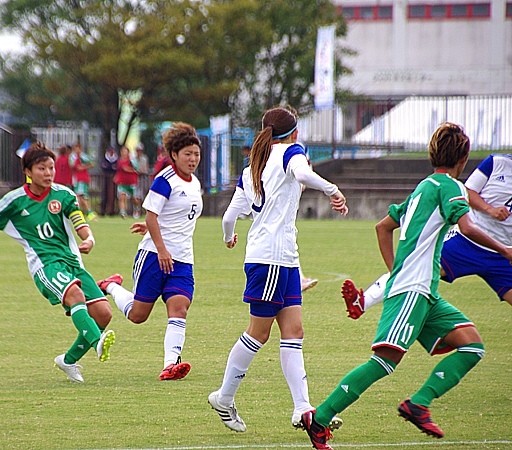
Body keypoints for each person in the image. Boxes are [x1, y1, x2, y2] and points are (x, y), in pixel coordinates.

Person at [301, 123, 512, 449]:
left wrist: (396, 272)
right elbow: (467, 228)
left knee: (472, 344)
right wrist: (505, 250)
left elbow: (383, 227)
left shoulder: (423, 187)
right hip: (413, 290)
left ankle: (419, 403)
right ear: (464, 157)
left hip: (424, 291)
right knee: (383, 363)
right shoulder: (450, 186)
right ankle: (320, 418)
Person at [209, 106, 348, 433]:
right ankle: (224, 397)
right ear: (295, 132)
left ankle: (302, 408)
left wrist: (230, 238)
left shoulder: (253, 166)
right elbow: (301, 175)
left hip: (283, 257)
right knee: (259, 332)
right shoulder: (291, 152)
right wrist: (332, 190)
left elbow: (229, 217)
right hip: (271, 258)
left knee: (294, 332)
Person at [0, 142, 115, 383]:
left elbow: (78, 221)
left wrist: (89, 238)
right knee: (75, 296)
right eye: (42, 169)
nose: (49, 173)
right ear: (28, 172)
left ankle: (68, 360)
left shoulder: (64, 195)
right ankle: (97, 341)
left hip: (72, 262)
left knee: (103, 314)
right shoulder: (16, 200)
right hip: (45, 266)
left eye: (51, 168)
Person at [342, 153, 512, 316]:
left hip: (504, 254)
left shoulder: (435, 186)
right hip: (467, 241)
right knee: (416, 269)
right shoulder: (496, 163)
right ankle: (363, 301)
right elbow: (468, 192)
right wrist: (489, 209)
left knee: (466, 337)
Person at [97, 123, 203, 381]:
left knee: (179, 308)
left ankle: (170, 365)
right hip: (155, 257)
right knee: (138, 315)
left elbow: (171, 217)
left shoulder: (195, 182)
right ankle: (111, 286)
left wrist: (155, 226)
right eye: (187, 154)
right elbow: (152, 215)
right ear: (174, 155)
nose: (192, 159)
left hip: (182, 259)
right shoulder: (165, 180)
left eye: (196, 154)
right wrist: (161, 247)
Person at [69, 142, 97, 221]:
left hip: (83, 178)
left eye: (78, 148)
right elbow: (71, 165)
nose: (77, 150)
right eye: (75, 148)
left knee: (79, 196)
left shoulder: (83, 156)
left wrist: (84, 167)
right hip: (76, 178)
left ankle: (85, 213)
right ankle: (86, 213)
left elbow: (92, 164)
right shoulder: (72, 157)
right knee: (82, 197)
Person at [114, 145, 140, 218]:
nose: (123, 153)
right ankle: (123, 212)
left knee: (133, 198)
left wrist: (128, 169)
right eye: (122, 151)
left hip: (131, 182)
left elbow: (136, 169)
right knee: (122, 196)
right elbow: (119, 170)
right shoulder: (119, 161)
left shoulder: (131, 160)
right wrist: (116, 176)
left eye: (125, 151)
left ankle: (137, 208)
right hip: (122, 182)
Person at [132, 144, 150, 219]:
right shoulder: (133, 159)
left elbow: (144, 168)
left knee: (145, 195)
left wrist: (139, 170)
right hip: (136, 179)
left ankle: (146, 212)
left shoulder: (144, 158)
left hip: (143, 178)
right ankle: (137, 210)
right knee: (137, 195)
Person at [100, 146, 119, 216]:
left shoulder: (116, 160)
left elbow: (116, 168)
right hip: (105, 178)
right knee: (104, 194)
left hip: (113, 179)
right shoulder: (104, 159)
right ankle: (103, 210)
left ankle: (112, 211)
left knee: (113, 194)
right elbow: (104, 167)